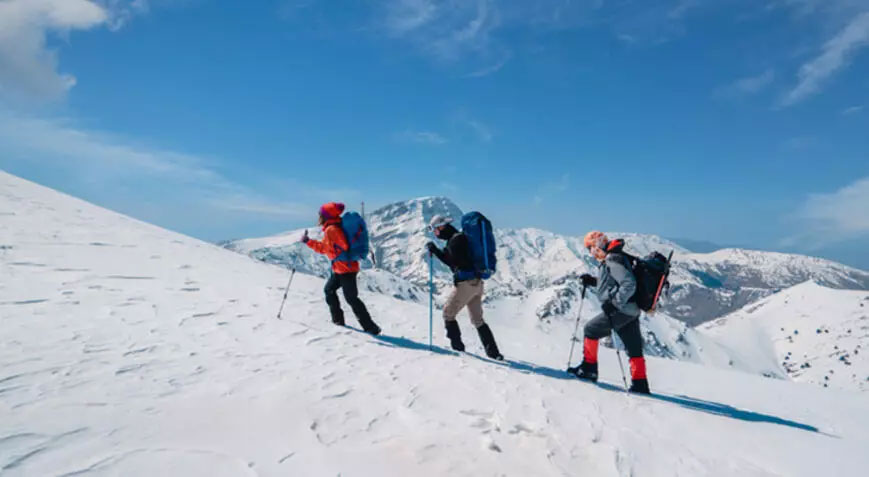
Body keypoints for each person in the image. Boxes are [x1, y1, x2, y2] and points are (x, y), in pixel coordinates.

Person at [568, 230, 650, 394]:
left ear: (597, 245)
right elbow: (613, 281)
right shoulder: (616, 256)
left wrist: (614, 304)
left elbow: (628, 284)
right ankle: (640, 382)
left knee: (591, 329)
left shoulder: (613, 259)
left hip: (622, 310)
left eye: (590, 248)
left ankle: (589, 369)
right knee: (633, 347)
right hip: (632, 310)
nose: (591, 253)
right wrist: (593, 281)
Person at [426, 215, 503, 360]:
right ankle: (494, 353)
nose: (435, 234)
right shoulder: (460, 238)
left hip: (466, 284)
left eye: (435, 230)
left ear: (442, 227)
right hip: (478, 283)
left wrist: (435, 251)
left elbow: (453, 262)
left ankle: (458, 350)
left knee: (448, 313)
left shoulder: (455, 241)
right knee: (478, 320)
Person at [302, 202, 381, 335]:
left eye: (320, 214)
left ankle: (371, 327)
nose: (318, 217)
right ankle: (338, 320)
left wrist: (324, 249)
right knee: (329, 290)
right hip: (341, 268)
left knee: (351, 298)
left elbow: (341, 247)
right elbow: (327, 247)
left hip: (346, 269)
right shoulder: (333, 227)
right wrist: (309, 242)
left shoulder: (331, 230)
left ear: (325, 216)